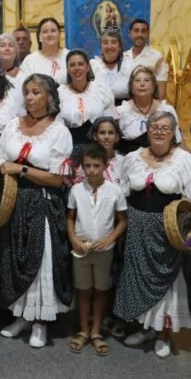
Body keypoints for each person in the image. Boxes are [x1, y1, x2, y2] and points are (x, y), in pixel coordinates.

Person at [0, 74, 73, 348]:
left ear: (50, 98)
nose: (30, 97)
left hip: (42, 202)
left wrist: (21, 169)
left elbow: (58, 178)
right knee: (14, 257)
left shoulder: (59, 131)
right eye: (27, 92)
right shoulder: (12, 126)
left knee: (40, 258)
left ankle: (40, 322)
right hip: (12, 203)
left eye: (36, 92)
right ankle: (21, 315)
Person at [115, 111, 191, 359]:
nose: (159, 131)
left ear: (174, 131)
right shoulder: (132, 158)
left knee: (167, 282)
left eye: (165, 128)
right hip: (136, 226)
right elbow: (122, 194)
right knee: (138, 277)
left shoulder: (183, 160)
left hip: (168, 229)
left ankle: (163, 334)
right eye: (154, 126)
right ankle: (145, 328)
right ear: (147, 129)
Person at [66, 143, 128, 356]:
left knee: (101, 290)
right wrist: (73, 238)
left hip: (105, 249)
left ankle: (96, 332)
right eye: (87, 166)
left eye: (96, 166)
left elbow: (122, 221)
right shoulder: (75, 190)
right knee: (83, 290)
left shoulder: (115, 191)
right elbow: (70, 217)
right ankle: (83, 330)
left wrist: (110, 238)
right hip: (81, 249)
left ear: (105, 166)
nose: (91, 170)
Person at [112, 66, 183, 155]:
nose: (142, 84)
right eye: (137, 81)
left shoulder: (167, 110)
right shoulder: (120, 112)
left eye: (146, 80)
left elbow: (178, 142)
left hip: (162, 160)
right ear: (131, 87)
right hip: (129, 162)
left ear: (153, 87)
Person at [58, 49, 114, 157]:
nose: (77, 68)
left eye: (81, 64)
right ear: (68, 69)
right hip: (70, 147)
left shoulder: (101, 89)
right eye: (72, 65)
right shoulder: (60, 93)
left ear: (88, 67)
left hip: (100, 147)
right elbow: (58, 127)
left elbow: (111, 122)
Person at [124, 19, 169, 98]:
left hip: (147, 104)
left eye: (143, 31)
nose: (140, 35)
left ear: (148, 34)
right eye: (136, 31)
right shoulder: (123, 57)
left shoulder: (157, 57)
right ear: (129, 33)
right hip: (123, 103)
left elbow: (161, 91)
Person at [19, 17, 68, 85]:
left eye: (53, 31)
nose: (49, 35)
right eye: (45, 32)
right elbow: (23, 86)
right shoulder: (30, 60)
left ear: (59, 35)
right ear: (39, 37)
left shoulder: (69, 56)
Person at [90, 29, 134, 104]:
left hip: (123, 110)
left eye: (113, 42)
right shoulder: (92, 65)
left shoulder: (129, 65)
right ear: (100, 47)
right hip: (97, 111)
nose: (109, 46)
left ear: (120, 47)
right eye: (105, 43)